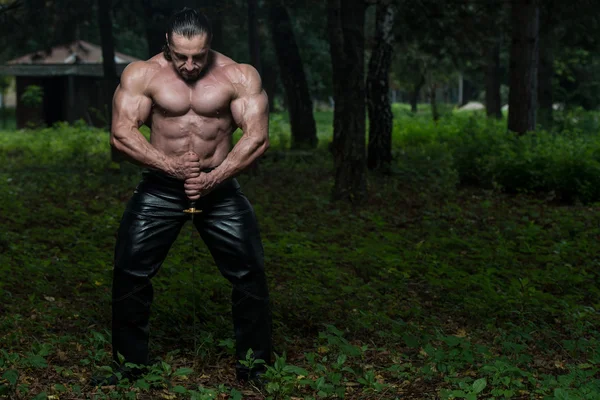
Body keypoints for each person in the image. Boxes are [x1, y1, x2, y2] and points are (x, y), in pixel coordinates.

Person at [91, 7, 272, 386]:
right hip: (161, 186)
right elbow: (122, 133)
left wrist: (213, 178)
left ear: (209, 47)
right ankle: (129, 367)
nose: (190, 65)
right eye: (181, 56)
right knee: (129, 271)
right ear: (167, 46)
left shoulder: (238, 75)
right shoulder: (142, 74)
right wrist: (170, 167)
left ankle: (256, 368)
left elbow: (256, 137)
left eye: (198, 56)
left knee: (250, 273)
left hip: (219, 187)